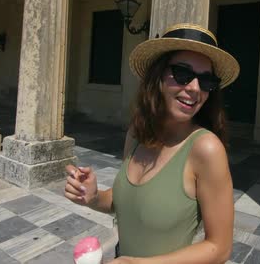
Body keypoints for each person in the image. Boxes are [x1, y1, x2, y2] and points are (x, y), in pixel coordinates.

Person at [65, 23, 240, 263]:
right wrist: (94, 197)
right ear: (157, 76)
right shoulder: (136, 133)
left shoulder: (206, 149)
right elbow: (125, 203)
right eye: (182, 74)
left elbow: (220, 248)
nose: (195, 88)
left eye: (206, 80)